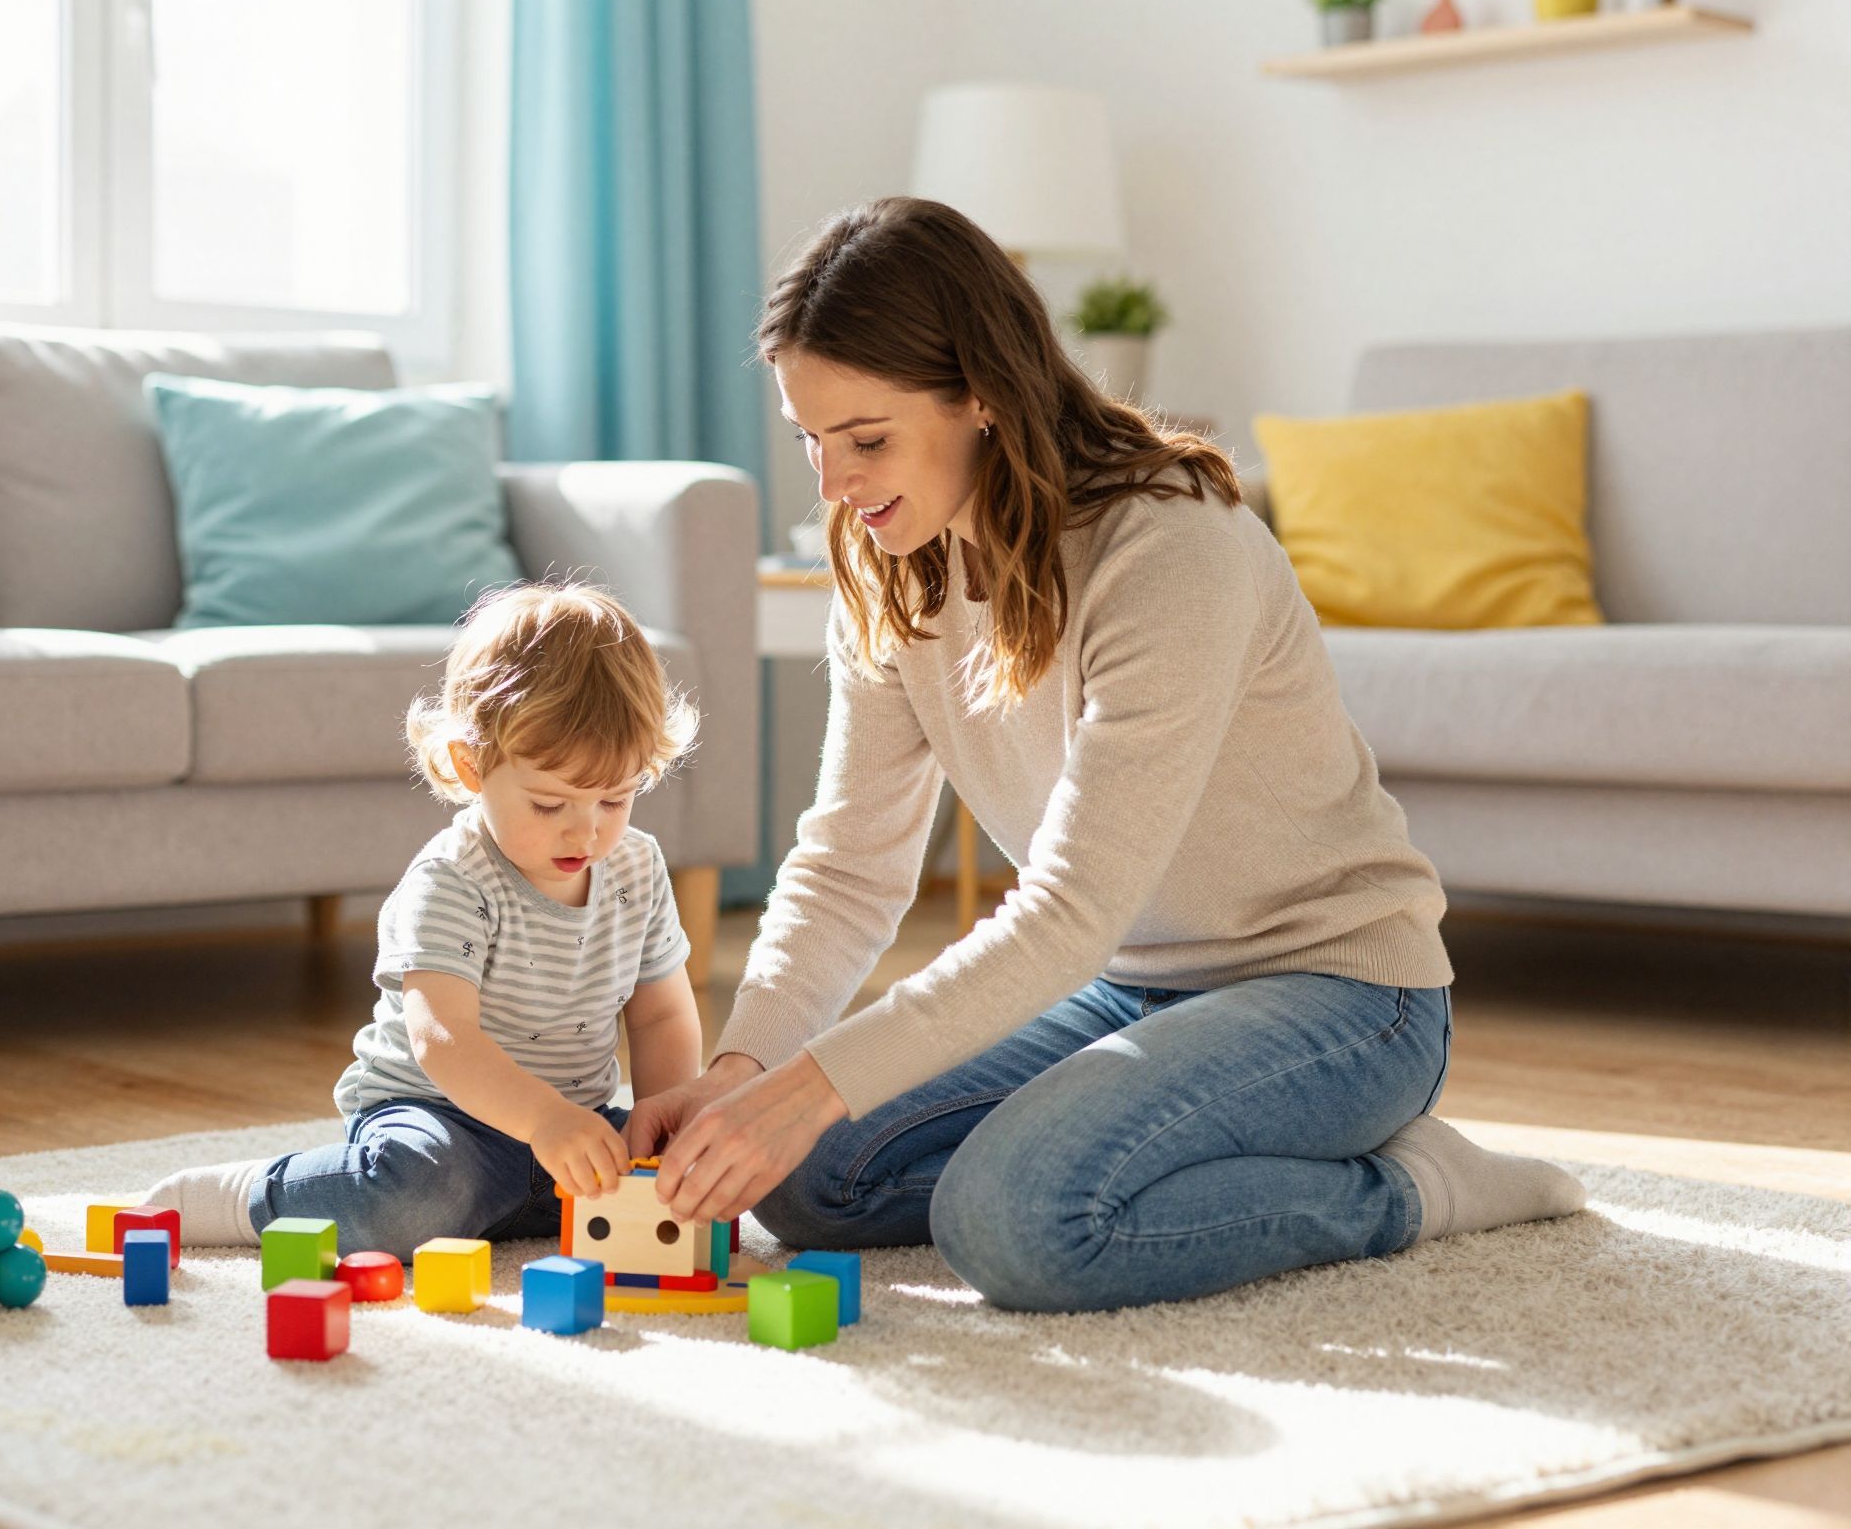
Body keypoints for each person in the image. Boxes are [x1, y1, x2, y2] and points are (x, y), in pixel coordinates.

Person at [626, 196, 1585, 1313]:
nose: (832, 487)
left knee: (1015, 1219)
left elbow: (1070, 907)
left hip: (1336, 993)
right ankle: (1162, 1144)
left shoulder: (1168, 547)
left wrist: (811, 1084)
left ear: (979, 392)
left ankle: (1409, 1185)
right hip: (1128, 988)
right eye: (809, 439)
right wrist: (745, 1076)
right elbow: (848, 866)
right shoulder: (891, 566)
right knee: (804, 1181)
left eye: (866, 440)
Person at [143, 583, 704, 1257]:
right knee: (415, 1199)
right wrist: (543, 1118)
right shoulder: (454, 877)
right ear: (473, 767)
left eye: (615, 799)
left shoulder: (637, 869)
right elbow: (443, 1037)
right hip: (443, 1124)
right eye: (551, 805)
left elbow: (661, 1016)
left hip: (569, 1127)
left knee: (724, 1164)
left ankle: (509, 1208)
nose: (585, 831)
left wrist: (661, 1126)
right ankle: (254, 1195)